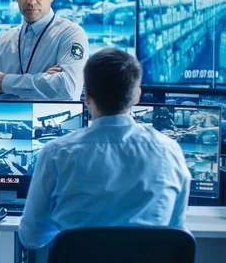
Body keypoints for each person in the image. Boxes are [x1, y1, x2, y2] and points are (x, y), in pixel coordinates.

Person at [19, 48, 191, 250]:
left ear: (87, 95)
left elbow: (31, 237)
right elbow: (176, 230)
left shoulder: (57, 153)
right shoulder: (169, 151)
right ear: (137, 96)